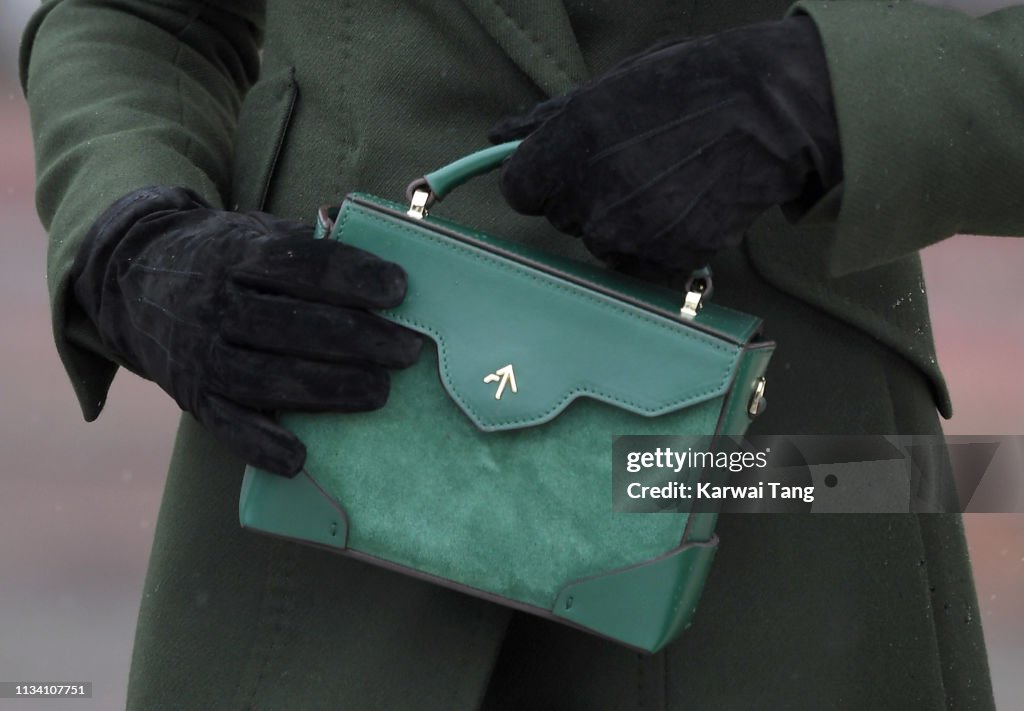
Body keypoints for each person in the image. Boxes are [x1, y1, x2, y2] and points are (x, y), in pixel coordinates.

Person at [20, 0, 1008, 708]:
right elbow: (143, 19)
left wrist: (829, 97)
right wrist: (133, 237)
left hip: (779, 472)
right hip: (336, 416)